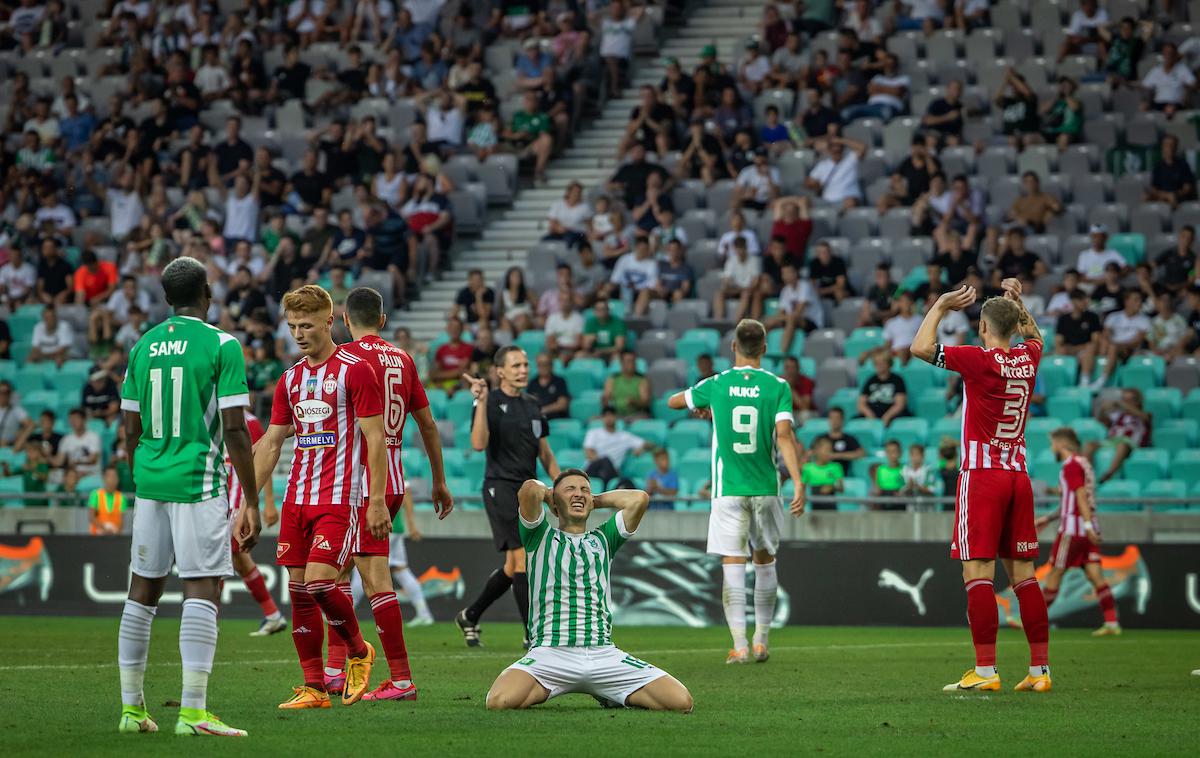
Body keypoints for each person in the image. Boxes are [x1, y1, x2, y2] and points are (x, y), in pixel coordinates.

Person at [115, 256, 260, 736]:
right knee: (201, 587)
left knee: (142, 591)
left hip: (150, 482)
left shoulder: (142, 346)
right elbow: (236, 430)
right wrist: (252, 500)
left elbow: (130, 428)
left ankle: (132, 711)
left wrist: (150, 468)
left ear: (166, 298)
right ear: (208, 293)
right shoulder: (222, 344)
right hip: (198, 481)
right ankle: (193, 712)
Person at [910, 278, 1051, 693]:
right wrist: (1020, 305)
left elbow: (919, 348)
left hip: (983, 477)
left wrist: (939, 305)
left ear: (983, 329)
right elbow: (1036, 336)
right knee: (1025, 576)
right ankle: (1040, 671)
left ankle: (986, 672)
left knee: (978, 575)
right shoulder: (1029, 358)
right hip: (1018, 476)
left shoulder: (979, 360)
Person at [251, 284, 385, 709]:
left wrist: (377, 499)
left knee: (320, 583)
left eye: (306, 325)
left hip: (339, 500)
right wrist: (247, 504)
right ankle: (313, 687)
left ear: (330, 321)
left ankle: (360, 651)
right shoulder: (289, 379)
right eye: (292, 326)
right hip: (296, 500)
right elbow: (271, 444)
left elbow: (376, 438)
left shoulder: (355, 370)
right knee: (299, 591)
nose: (298, 333)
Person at [329, 287, 454, 701]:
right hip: (396, 481)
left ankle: (400, 679)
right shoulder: (402, 359)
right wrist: (438, 480)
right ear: (382, 320)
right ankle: (337, 669)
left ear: (345, 320)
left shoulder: (346, 359)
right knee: (340, 573)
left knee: (370, 577)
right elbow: (429, 425)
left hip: (362, 484)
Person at [484, 474, 692, 712]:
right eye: (570, 489)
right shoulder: (539, 536)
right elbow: (529, 490)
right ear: (553, 503)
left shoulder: (604, 538)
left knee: (681, 702)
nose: (579, 493)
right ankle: (586, 690)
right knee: (499, 702)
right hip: (551, 653)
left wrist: (592, 499)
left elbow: (639, 499)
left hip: (603, 653)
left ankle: (609, 693)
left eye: (585, 489)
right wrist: (553, 495)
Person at [667, 319, 805, 664]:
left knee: (733, 561)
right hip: (766, 487)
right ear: (764, 348)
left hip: (728, 489)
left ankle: (739, 645)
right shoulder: (778, 386)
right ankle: (762, 640)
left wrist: (707, 407)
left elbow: (672, 402)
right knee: (764, 560)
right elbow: (785, 435)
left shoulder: (716, 384)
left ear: (733, 347)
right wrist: (799, 481)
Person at [457, 346, 560, 648]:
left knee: (511, 567)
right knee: (522, 560)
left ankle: (470, 615)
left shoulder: (533, 405)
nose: (523, 370)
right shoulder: (489, 401)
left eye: (525, 364)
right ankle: (533, 635)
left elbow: (545, 452)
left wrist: (560, 485)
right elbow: (478, 444)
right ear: (500, 371)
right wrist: (480, 398)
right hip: (499, 487)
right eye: (516, 365)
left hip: (529, 489)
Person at [1036, 428, 1120, 636]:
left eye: (1052, 444)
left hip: (1073, 530)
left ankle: (1035, 622)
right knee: (1095, 576)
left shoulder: (1071, 465)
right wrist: (1047, 518)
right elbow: (1071, 499)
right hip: (1086, 529)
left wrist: (1087, 526)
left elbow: (1080, 497)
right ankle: (1112, 624)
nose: (1052, 448)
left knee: (1055, 572)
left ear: (1061, 444)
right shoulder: (1084, 464)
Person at [225, 410, 285, 637]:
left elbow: (265, 460)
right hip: (216, 496)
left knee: (225, 557)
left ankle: (210, 619)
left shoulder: (249, 422)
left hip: (234, 501)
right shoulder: (207, 415)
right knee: (237, 559)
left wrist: (268, 502)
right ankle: (272, 615)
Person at [583, 406, 650, 486]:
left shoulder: (625, 436)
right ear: (602, 418)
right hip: (593, 469)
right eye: (606, 416)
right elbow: (589, 453)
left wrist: (641, 448)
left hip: (612, 472)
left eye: (611, 415)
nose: (609, 418)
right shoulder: (593, 433)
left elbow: (647, 443)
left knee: (607, 462)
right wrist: (604, 463)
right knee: (605, 460)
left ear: (616, 417)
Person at [858, 349, 908, 425]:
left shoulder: (897, 380)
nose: (879, 366)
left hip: (891, 414)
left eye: (882, 363)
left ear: (889, 363)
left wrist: (887, 416)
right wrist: (869, 414)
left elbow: (900, 404)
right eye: (877, 363)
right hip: (872, 414)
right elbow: (861, 403)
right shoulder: (870, 380)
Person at [527, 353, 570, 420]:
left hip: (557, 419)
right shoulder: (533, 383)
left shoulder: (559, 381)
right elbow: (529, 404)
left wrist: (542, 411)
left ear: (551, 365)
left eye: (546, 364)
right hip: (539, 421)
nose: (543, 367)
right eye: (540, 364)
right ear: (537, 365)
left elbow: (562, 404)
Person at [802, 437, 843, 502]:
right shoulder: (807, 468)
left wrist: (832, 487)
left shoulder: (836, 467)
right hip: (813, 506)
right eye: (826, 450)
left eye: (830, 450)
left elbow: (841, 488)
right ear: (817, 450)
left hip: (831, 506)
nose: (829, 453)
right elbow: (802, 488)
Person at [88, 467, 126, 535]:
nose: (112, 479)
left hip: (114, 537)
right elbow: (91, 517)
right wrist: (104, 528)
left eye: (114, 476)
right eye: (109, 476)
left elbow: (121, 521)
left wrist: (115, 531)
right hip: (96, 536)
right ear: (104, 478)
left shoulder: (121, 497)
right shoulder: (96, 494)